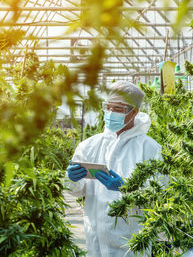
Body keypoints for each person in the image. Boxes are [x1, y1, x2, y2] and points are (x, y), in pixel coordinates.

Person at [66, 81, 162, 257]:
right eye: (108, 107)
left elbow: (158, 198)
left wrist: (128, 189)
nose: (110, 113)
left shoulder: (149, 149)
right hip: (95, 243)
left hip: (132, 247)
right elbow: (76, 191)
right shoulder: (88, 146)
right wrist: (71, 179)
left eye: (118, 109)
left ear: (134, 112)